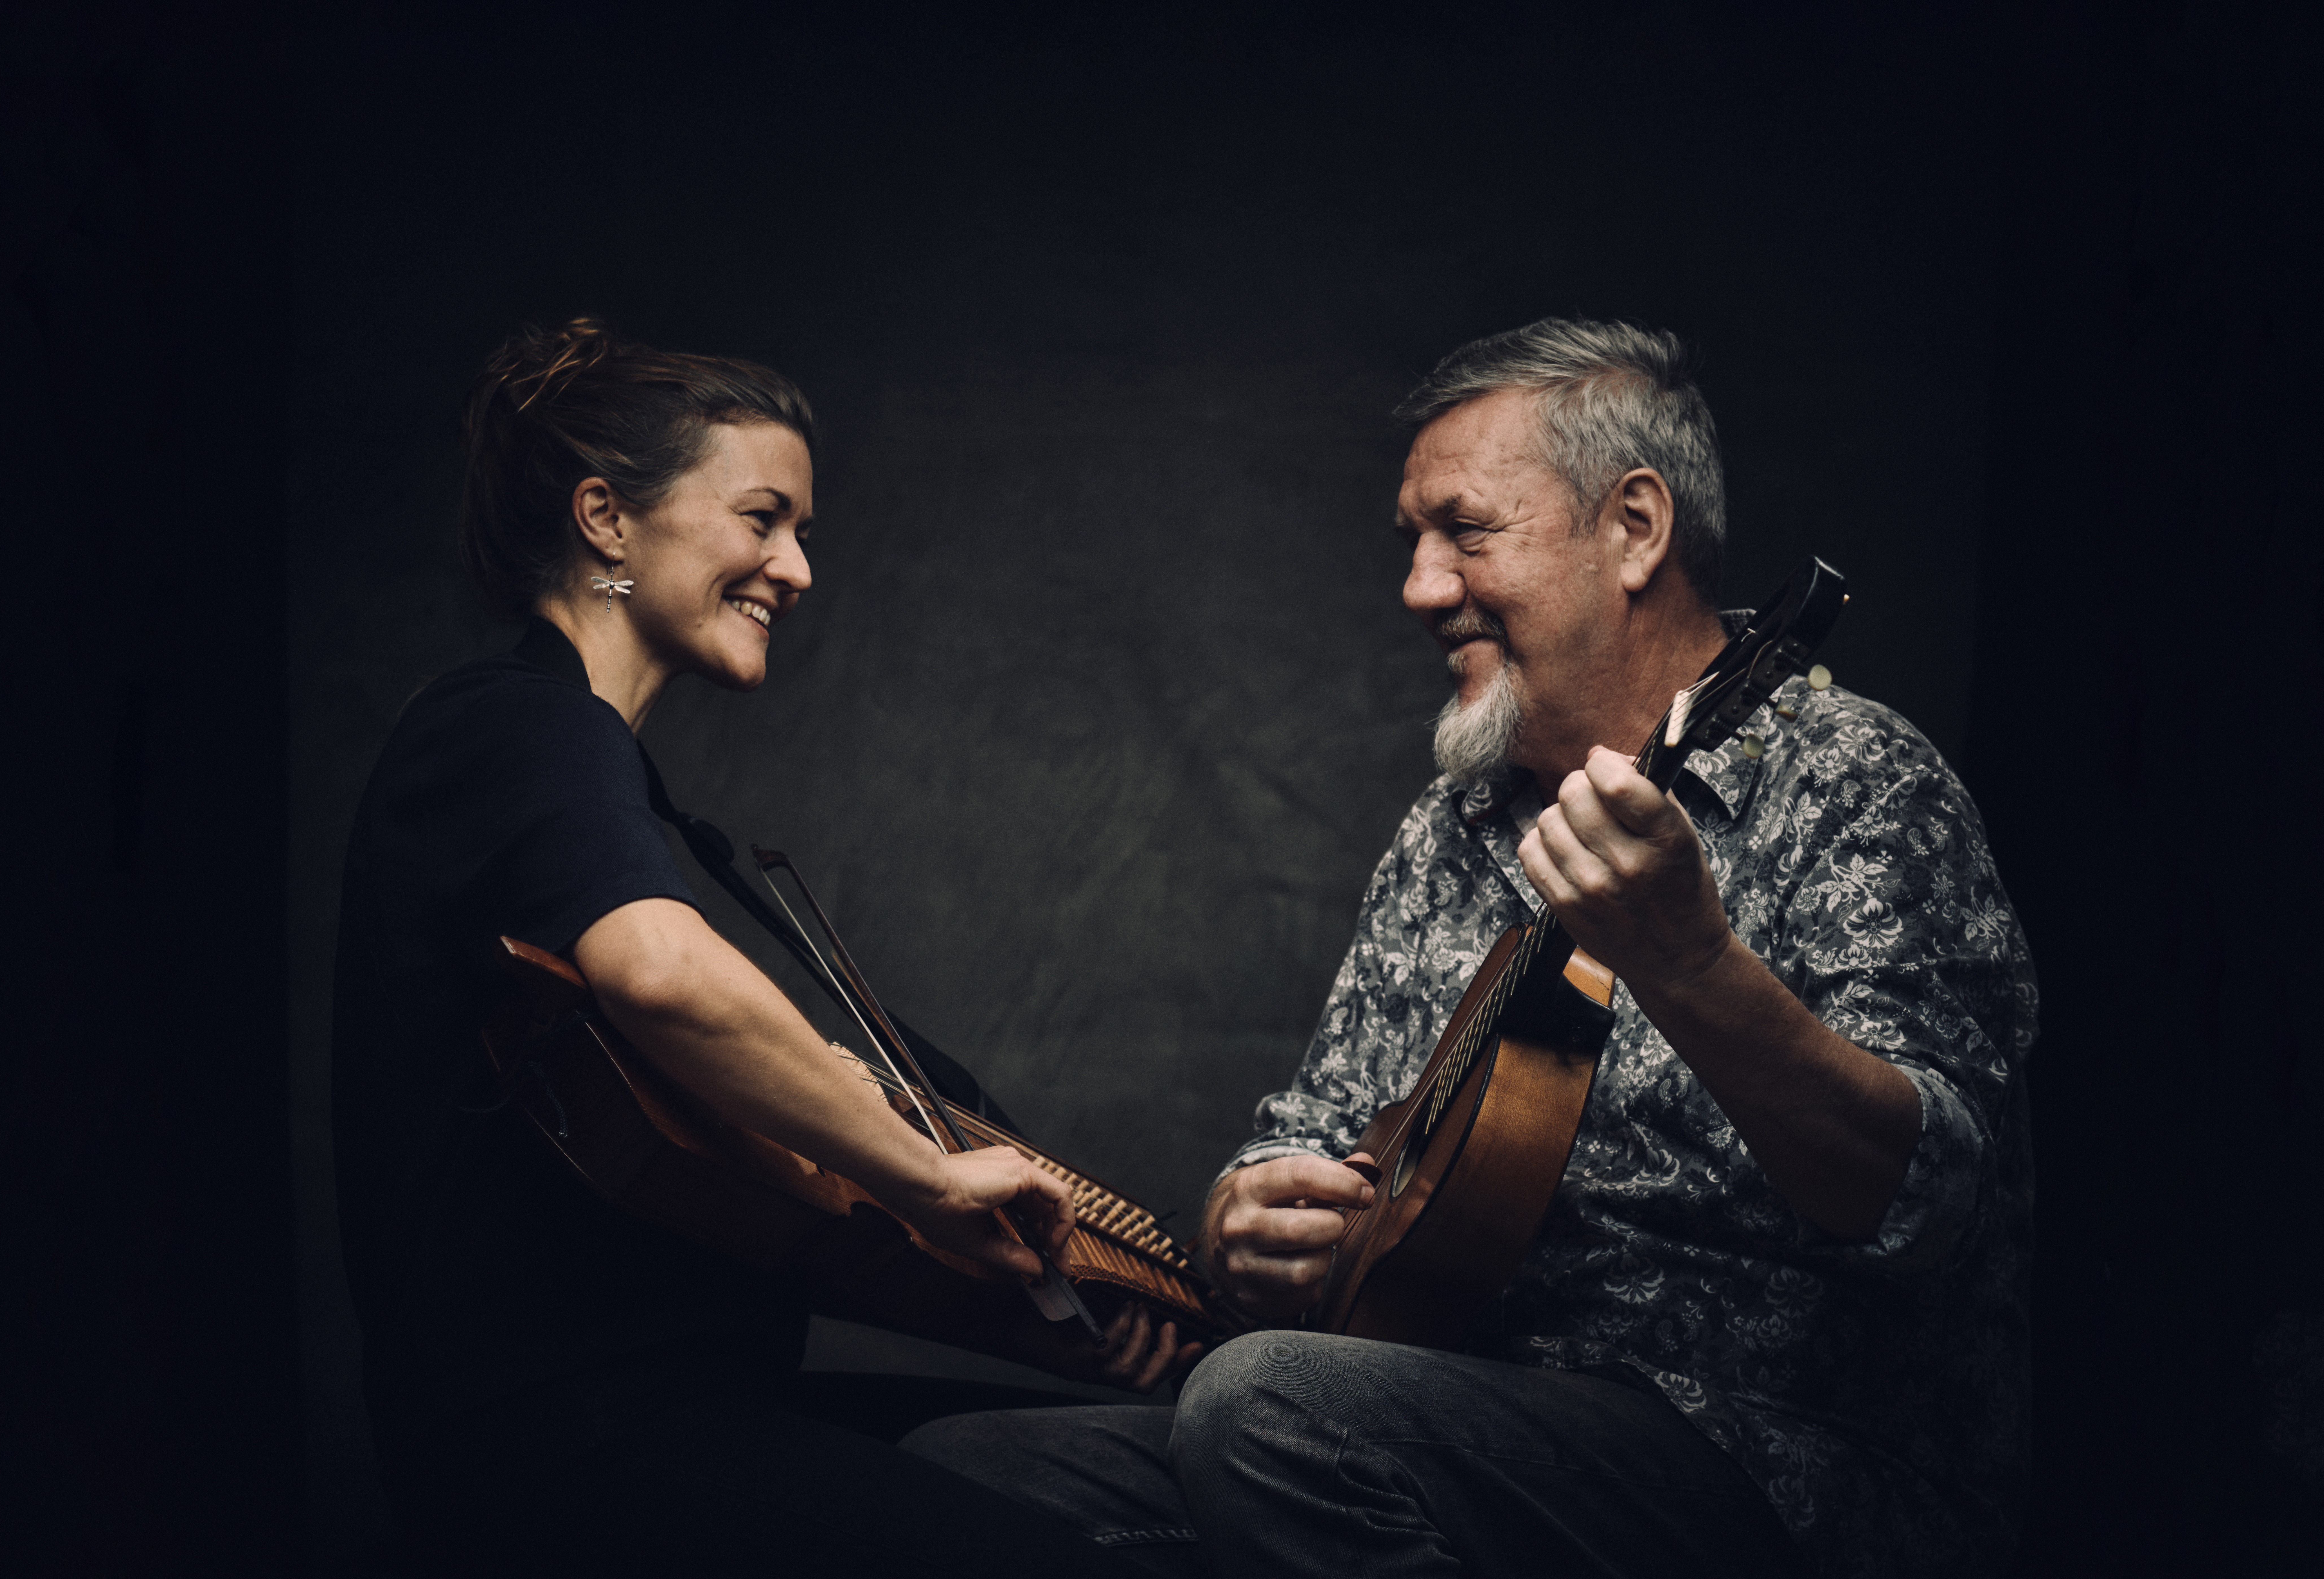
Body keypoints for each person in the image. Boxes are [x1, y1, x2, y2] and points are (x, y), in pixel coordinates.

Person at [904, 319, 2037, 1578]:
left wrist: (1691, 960)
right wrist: (1248, 1211)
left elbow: (1938, 1202)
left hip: (1775, 1463)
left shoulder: (1860, 784)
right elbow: (1320, 1116)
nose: (1421, 587)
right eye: (1414, 544)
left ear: (1636, 529)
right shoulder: (1462, 818)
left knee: (1266, 1408)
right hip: (1420, 1419)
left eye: (1467, 532)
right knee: (973, 1478)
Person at [329, 319, 1181, 1575]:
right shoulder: (518, 726)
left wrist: (1038, 1320)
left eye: (802, 531)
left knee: (1128, 1488)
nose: (797, 567)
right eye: (763, 518)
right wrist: (931, 1180)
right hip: (580, 1447)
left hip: (657, 1416)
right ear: (607, 519)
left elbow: (720, 1195)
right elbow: (662, 974)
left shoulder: (581, 773)